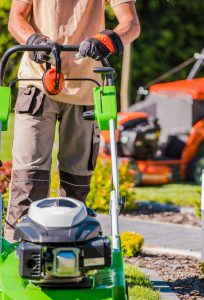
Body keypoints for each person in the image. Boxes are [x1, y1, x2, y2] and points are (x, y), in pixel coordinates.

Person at [5, 0, 140, 241]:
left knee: (76, 183)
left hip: (86, 87)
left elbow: (130, 24)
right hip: (37, 83)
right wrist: (32, 39)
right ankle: (16, 250)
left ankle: (71, 252)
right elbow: (16, 18)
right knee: (28, 179)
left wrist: (107, 40)